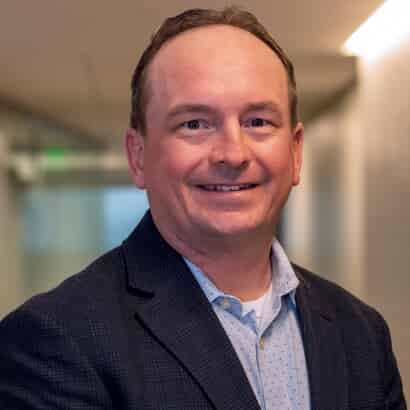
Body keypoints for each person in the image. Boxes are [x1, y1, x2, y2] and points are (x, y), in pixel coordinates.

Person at [0, 6, 406, 410]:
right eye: (195, 123)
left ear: (295, 152)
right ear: (138, 156)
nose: (232, 153)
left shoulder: (363, 335)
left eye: (258, 122)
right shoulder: (56, 341)